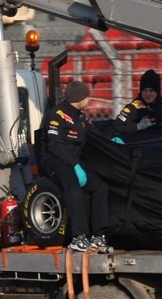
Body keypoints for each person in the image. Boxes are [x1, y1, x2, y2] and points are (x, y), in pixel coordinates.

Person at [40, 80, 111, 252]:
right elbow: (53, 145)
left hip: (74, 160)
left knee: (100, 187)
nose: (89, 100)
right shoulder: (57, 113)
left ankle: (98, 235)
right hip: (55, 160)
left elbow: (96, 135)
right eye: (87, 97)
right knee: (73, 187)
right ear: (80, 98)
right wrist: (74, 165)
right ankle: (79, 237)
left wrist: (112, 143)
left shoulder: (81, 116)